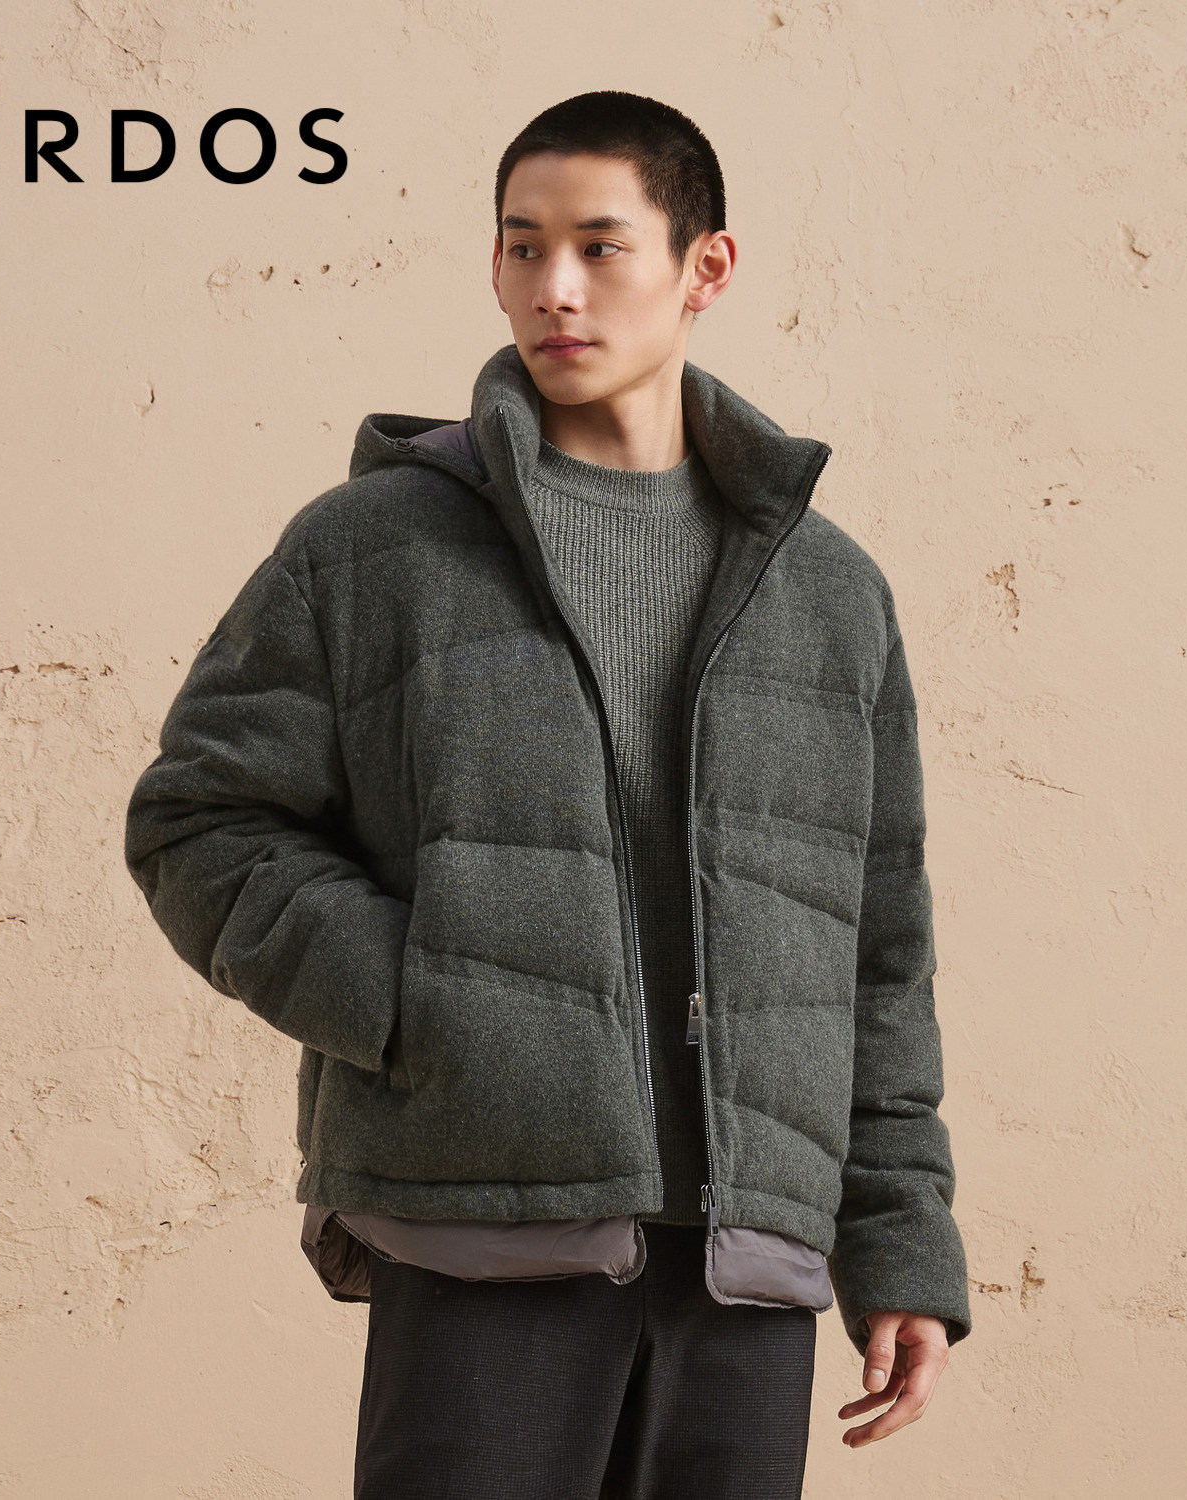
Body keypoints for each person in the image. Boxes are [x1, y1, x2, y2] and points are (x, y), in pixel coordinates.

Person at [124, 90, 971, 1499]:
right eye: (522, 247)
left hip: (750, 1263)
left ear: (705, 267)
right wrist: (424, 1002)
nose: (553, 288)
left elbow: (878, 953)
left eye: (599, 246)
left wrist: (900, 1245)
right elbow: (198, 820)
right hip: (483, 1228)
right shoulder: (376, 548)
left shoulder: (827, 591)